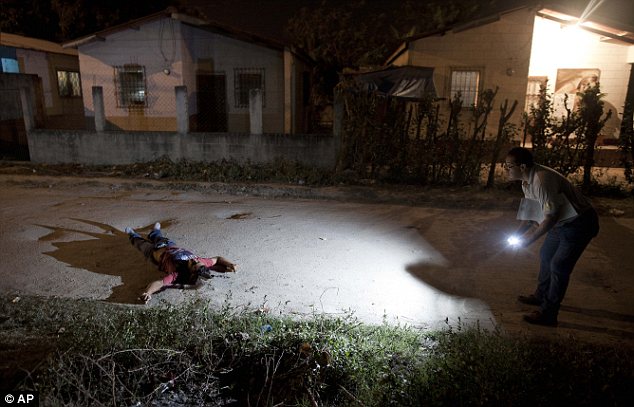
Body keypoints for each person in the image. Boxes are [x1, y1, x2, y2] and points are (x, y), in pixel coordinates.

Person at [504, 147, 599, 326]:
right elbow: (532, 215)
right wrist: (514, 235)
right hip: (562, 221)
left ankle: (549, 314)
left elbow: (549, 218)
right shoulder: (527, 181)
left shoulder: (541, 180)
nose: (506, 169)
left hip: (578, 223)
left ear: (522, 166)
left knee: (559, 266)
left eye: (509, 166)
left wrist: (527, 240)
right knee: (546, 255)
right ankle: (541, 296)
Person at [125, 222, 237, 303]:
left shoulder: (177, 273)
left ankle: (132, 234)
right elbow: (217, 259)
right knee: (158, 237)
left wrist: (148, 292)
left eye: (193, 263)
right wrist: (230, 264)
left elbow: (160, 283)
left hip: (153, 253)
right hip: (169, 245)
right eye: (196, 260)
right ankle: (155, 232)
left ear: (191, 271)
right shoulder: (201, 263)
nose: (193, 260)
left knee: (139, 243)